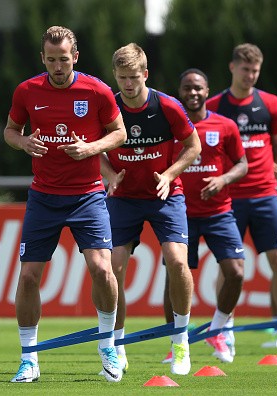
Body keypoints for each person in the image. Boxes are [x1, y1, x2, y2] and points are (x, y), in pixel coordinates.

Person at [4, 25, 127, 383]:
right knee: (28, 277)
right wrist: (24, 143)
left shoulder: (97, 90)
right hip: (44, 196)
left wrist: (91, 148)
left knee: (103, 270)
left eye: (64, 59)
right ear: (43, 58)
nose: (58, 66)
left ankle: (107, 344)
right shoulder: (27, 91)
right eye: (51, 59)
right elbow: (10, 131)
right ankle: (29, 359)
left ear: (76, 57)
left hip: (88, 195)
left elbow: (119, 133)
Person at [100, 43, 201, 376]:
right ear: (114, 75)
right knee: (112, 267)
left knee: (177, 260)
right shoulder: (107, 108)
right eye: (122, 77)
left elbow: (193, 146)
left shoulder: (168, 107)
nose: (128, 84)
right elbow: (94, 149)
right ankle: (117, 344)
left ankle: (181, 341)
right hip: (123, 198)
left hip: (165, 196)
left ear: (145, 74)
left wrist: (170, 175)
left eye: (134, 77)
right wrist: (111, 174)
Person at [206, 43, 277, 357]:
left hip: (265, 195)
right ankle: (225, 329)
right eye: (245, 69)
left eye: (256, 71)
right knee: (228, 266)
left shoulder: (272, 104)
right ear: (232, 68)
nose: (250, 76)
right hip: (228, 199)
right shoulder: (215, 105)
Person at [161, 68, 248, 364]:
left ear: (207, 91)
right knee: (173, 277)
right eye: (187, 88)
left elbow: (242, 164)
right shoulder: (169, 127)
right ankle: (176, 343)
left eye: (198, 87)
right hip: (180, 212)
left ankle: (219, 328)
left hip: (219, 212)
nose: (193, 93)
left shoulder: (225, 125)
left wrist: (223, 180)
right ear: (180, 91)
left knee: (236, 271)